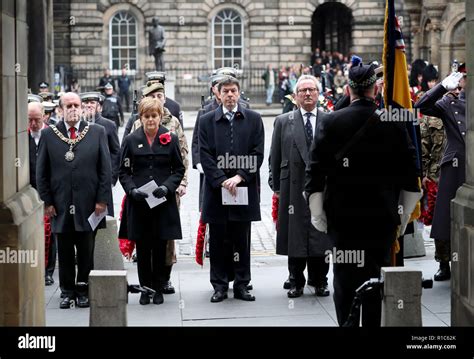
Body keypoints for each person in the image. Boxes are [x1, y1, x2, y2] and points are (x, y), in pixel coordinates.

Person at [305, 60, 420, 326]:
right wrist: (401, 218)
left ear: (349, 89)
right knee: (376, 283)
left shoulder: (331, 121)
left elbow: (315, 174)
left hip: (342, 221)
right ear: (375, 89)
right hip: (381, 219)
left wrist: (319, 216)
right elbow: (410, 175)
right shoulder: (392, 123)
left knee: (345, 283)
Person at [36, 92, 112, 309]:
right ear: (60, 109)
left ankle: (83, 289)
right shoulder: (49, 135)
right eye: (68, 105)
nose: (72, 109)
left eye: (76, 105)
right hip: (59, 204)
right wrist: (47, 201)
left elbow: (105, 169)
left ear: (82, 108)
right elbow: (42, 173)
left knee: (86, 249)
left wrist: (102, 200)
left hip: (89, 203)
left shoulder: (97, 132)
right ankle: (67, 291)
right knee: (66, 250)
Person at [199, 76, 264, 302]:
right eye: (225, 91)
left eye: (233, 91)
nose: (229, 95)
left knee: (241, 239)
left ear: (238, 93)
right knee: (218, 239)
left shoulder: (254, 119)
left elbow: (257, 153)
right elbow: (205, 155)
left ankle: (242, 284)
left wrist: (239, 176)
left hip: (242, 189)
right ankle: (219, 285)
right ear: (218, 93)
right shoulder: (207, 121)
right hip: (217, 191)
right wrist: (221, 179)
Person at [270, 75, 333, 298]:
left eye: (312, 90)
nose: (307, 94)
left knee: (320, 236)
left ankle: (320, 280)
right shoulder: (283, 121)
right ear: (295, 96)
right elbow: (274, 157)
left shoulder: (329, 120)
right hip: (292, 189)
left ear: (318, 94)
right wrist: (276, 185)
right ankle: (296, 280)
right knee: (294, 236)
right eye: (303, 90)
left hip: (321, 188)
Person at [119, 97, 184, 305]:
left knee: (159, 246)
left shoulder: (170, 138)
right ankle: (145, 288)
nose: (150, 120)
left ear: (160, 117)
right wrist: (132, 190)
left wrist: (167, 187)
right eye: (146, 116)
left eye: (154, 116)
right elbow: (123, 171)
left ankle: (157, 288)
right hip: (139, 203)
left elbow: (179, 169)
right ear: (141, 118)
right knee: (143, 247)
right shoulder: (131, 140)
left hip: (162, 204)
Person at [415, 64, 466, 281]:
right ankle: (444, 262)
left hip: (468, 165)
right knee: (443, 217)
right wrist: (442, 87)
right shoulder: (448, 102)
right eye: (461, 77)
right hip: (451, 166)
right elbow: (422, 104)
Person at [28, 102, 56, 286]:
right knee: (33, 234)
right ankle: (34, 268)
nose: (33, 124)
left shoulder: (53, 135)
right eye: (29, 120)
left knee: (51, 234)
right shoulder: (21, 137)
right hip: (30, 192)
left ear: (44, 116)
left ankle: (48, 271)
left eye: (36, 119)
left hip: (50, 193)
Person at [80, 92, 121, 188]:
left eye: (92, 103)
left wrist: (112, 178)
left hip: (102, 177)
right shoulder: (77, 125)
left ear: (98, 107)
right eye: (86, 103)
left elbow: (115, 152)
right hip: (82, 178)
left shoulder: (109, 125)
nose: (89, 105)